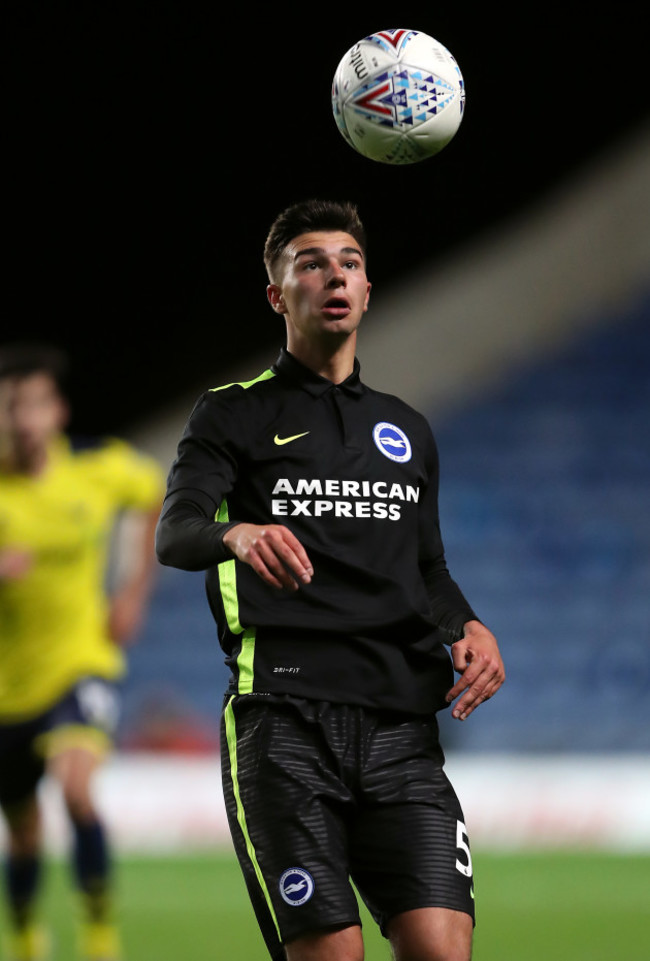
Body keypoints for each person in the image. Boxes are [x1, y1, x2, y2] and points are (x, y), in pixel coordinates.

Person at [155, 199, 505, 961]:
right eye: (310, 263)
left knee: (444, 950)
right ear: (278, 294)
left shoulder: (406, 427)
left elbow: (428, 568)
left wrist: (469, 624)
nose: (334, 275)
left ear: (369, 291)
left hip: (401, 731)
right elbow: (174, 534)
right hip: (283, 724)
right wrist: (236, 532)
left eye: (349, 262)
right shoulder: (231, 415)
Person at [0, 343, 165, 961]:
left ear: (58, 410)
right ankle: (23, 936)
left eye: (35, 404)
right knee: (21, 833)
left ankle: (99, 931)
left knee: (76, 789)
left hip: (81, 662)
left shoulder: (98, 468)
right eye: (12, 406)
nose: (24, 418)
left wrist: (131, 592)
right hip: (9, 685)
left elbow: (152, 495)